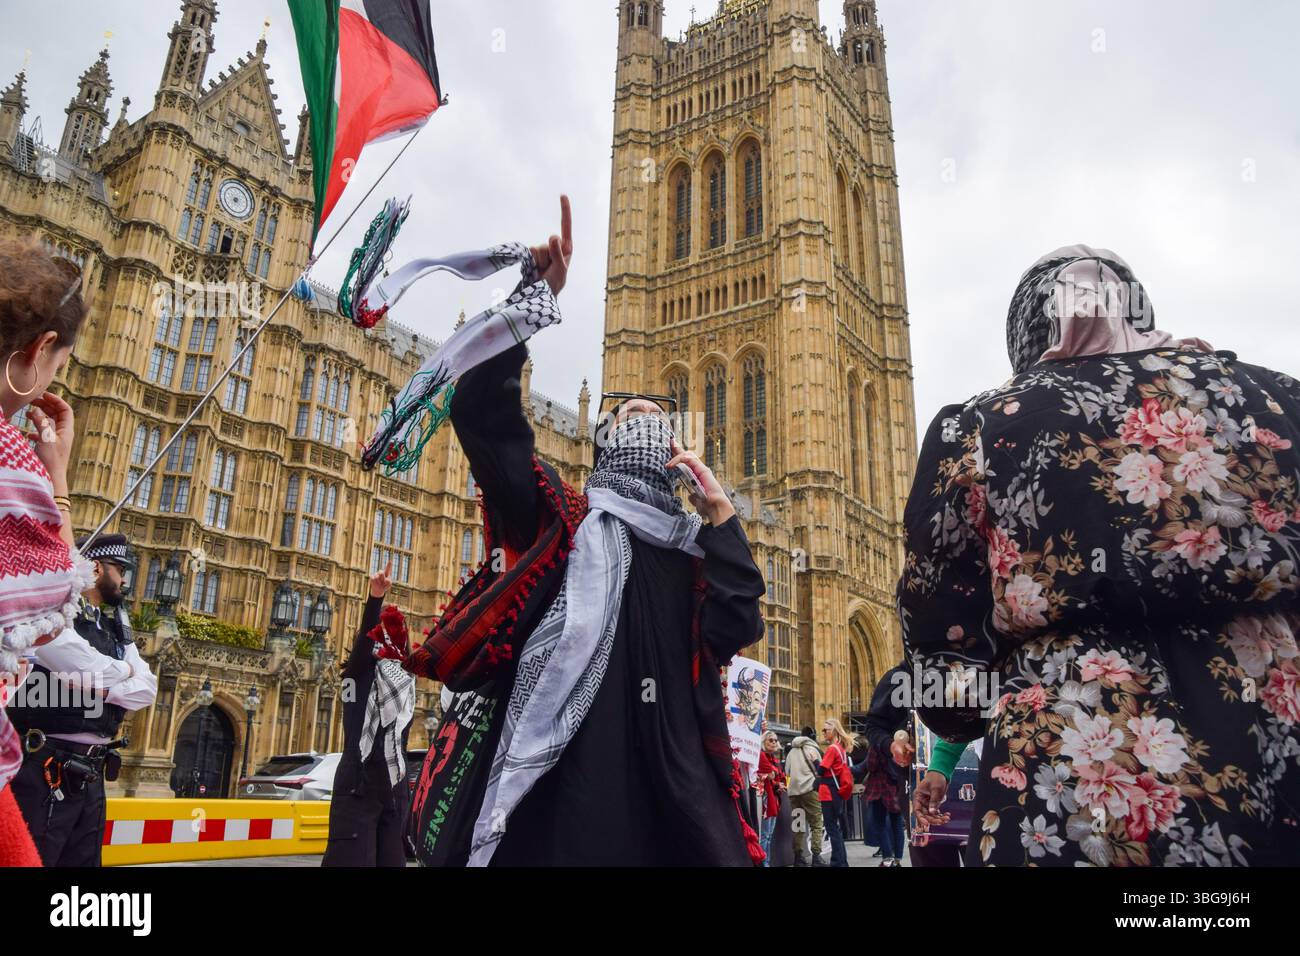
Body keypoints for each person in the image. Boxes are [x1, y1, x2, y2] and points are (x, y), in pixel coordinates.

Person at [899, 246, 1300, 867]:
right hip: (1275, 756)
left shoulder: (982, 425)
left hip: (1077, 786)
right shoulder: (1279, 402)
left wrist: (954, 727)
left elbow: (941, 624)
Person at [404, 197, 768, 866]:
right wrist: (529, 307)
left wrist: (721, 519)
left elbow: (736, 626)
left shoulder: (690, 550)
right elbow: (488, 425)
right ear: (604, 442)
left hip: (668, 798)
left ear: (673, 450)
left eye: (655, 416)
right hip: (561, 794)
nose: (640, 417)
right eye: (627, 412)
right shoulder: (562, 520)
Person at [0, 239, 92, 867]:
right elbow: (52, 598)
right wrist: (55, 475)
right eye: (60, 358)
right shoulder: (10, 465)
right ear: (35, 353)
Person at [8, 533, 158, 866]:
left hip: (91, 769)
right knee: (35, 857)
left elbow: (147, 688)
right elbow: (83, 667)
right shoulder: (51, 615)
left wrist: (106, 688)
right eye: (118, 569)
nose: (124, 579)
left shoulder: (114, 629)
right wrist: (120, 677)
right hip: (46, 762)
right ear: (94, 568)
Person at [323, 561, 416, 867]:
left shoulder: (405, 685)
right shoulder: (357, 676)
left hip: (393, 785)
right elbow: (365, 645)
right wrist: (375, 599)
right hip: (359, 780)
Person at [818, 718, 855, 867]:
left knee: (831, 828)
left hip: (828, 792)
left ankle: (837, 862)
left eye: (825, 730)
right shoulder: (841, 749)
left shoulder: (832, 749)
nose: (824, 733)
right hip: (837, 791)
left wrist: (815, 760)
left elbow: (821, 770)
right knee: (836, 829)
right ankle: (841, 861)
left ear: (833, 730)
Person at [784, 728, 825, 865]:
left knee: (798, 825)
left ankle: (798, 857)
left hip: (794, 794)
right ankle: (816, 857)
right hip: (810, 790)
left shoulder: (791, 752)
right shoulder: (813, 749)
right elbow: (821, 770)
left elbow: (787, 772)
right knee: (816, 824)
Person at [756, 730, 786, 865]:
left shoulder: (774, 758)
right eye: (770, 740)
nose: (774, 742)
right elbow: (772, 774)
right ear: (764, 742)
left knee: (769, 835)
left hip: (774, 798)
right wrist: (774, 779)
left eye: (775, 740)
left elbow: (778, 776)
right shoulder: (762, 756)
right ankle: (764, 863)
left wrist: (775, 780)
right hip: (766, 798)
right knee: (765, 835)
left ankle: (767, 861)